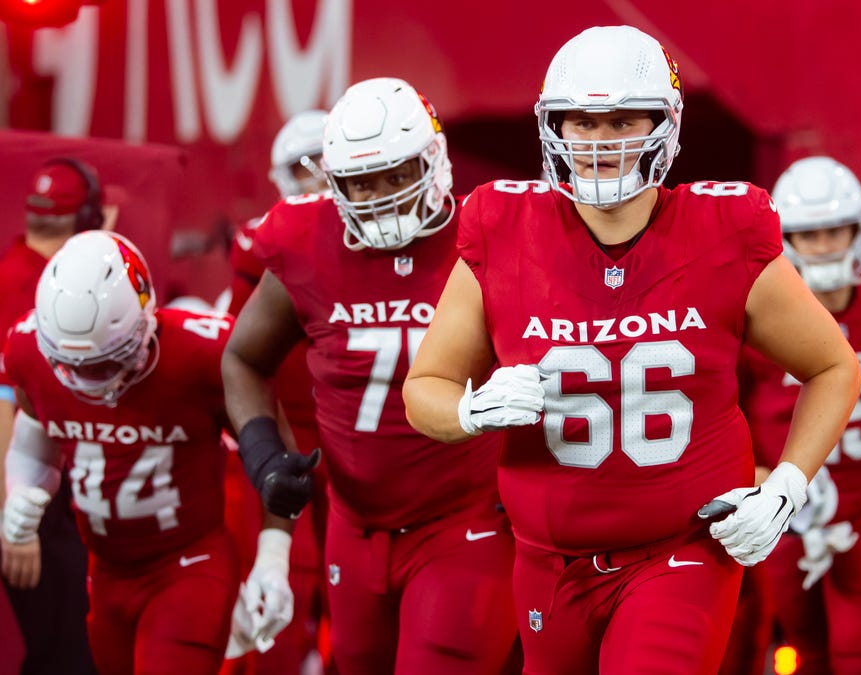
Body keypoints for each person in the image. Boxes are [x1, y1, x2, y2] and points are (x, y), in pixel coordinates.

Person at [402, 25, 861, 675]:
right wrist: (471, 410)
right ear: (553, 128)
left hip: (681, 551)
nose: (600, 142)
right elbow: (425, 388)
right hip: (547, 562)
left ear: (663, 125)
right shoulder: (504, 228)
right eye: (583, 122)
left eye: (622, 121)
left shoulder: (723, 230)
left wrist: (786, 486)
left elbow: (833, 365)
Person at [222, 77, 516, 674]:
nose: (380, 197)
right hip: (352, 528)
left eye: (396, 175)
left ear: (433, 162)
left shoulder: (489, 232)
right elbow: (243, 358)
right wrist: (263, 454)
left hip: (465, 522)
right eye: (362, 182)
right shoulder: (305, 238)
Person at [0, 230, 294, 674]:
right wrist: (21, 491)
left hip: (189, 564)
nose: (88, 382)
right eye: (72, 365)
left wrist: (272, 559)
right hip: (105, 571)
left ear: (145, 322)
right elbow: (35, 444)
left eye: (104, 362)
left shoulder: (202, 355)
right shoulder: (29, 353)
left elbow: (279, 459)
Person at [736, 156, 861, 674]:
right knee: (806, 649)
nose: (823, 246)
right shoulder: (753, 304)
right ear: (785, 238)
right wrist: (759, 480)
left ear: (859, 230)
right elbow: (727, 409)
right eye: (809, 234)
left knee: (859, 652)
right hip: (784, 505)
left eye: (834, 231)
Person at [224, 109, 330, 673]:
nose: (316, 176)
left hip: (347, 424)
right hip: (287, 425)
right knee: (289, 563)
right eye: (303, 166)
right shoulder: (266, 242)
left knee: (348, 567)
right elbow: (241, 351)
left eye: (325, 162)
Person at [0, 157, 108, 675]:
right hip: (29, 496)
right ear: (85, 220)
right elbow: (4, 406)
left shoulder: (15, 270)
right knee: (64, 653)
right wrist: (15, 519)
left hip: (35, 489)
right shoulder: (39, 290)